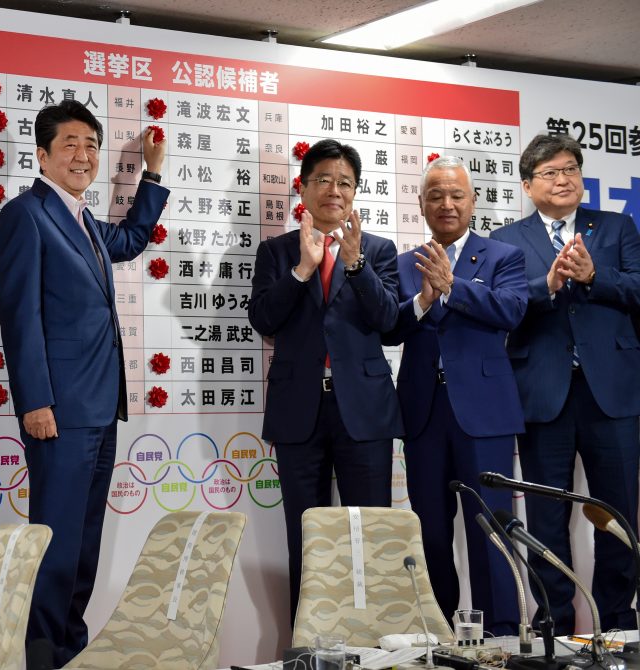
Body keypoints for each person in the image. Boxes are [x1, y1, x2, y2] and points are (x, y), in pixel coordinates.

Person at [0, 99, 167, 666]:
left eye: (91, 145)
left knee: (84, 545)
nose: (84, 155)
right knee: (56, 546)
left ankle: (71, 650)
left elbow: (133, 240)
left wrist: (153, 174)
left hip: (99, 406)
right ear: (41, 155)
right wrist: (35, 401)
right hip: (59, 411)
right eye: (70, 144)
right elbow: (21, 318)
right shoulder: (26, 215)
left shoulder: (85, 218)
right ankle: (43, 654)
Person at [491, 134, 640, 634]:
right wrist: (547, 286)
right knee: (546, 517)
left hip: (612, 393)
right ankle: (553, 622)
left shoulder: (617, 227)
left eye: (571, 169)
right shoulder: (506, 240)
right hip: (541, 393)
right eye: (551, 172)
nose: (564, 179)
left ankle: (617, 621)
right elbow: (501, 310)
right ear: (528, 186)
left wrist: (596, 276)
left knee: (615, 515)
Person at [248, 138, 402, 620]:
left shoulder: (377, 250)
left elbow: (391, 323)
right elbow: (263, 320)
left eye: (345, 183)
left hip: (364, 412)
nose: (334, 190)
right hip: (300, 412)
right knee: (307, 535)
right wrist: (301, 271)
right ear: (305, 187)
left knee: (369, 532)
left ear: (355, 192)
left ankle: (374, 638)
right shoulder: (276, 251)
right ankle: (309, 641)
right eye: (324, 181)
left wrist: (355, 265)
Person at [382, 155, 527, 634]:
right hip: (424, 412)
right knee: (431, 531)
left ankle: (502, 633)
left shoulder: (503, 255)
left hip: (484, 414)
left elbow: (511, 310)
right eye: (436, 195)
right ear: (421, 204)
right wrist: (423, 299)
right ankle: (439, 633)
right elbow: (391, 327)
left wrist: (453, 287)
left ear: (473, 202)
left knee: (491, 529)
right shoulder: (404, 264)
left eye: (456, 195)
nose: (447, 204)